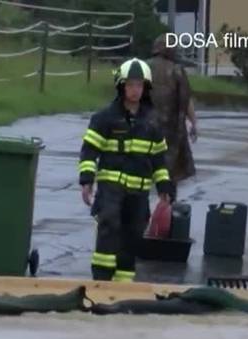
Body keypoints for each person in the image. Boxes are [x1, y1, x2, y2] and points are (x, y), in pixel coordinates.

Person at [79, 58, 175, 282]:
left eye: (139, 85)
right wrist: (87, 180)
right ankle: (101, 282)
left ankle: (123, 287)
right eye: (130, 85)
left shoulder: (152, 123)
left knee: (132, 238)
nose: (135, 90)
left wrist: (164, 187)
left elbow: (159, 159)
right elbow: (89, 151)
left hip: (139, 194)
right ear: (121, 87)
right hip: (111, 190)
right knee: (109, 228)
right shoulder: (104, 119)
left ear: (146, 88)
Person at [148, 33, 197, 184]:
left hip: (144, 125)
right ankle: (166, 198)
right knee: (170, 171)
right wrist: (193, 124)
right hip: (171, 128)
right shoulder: (177, 70)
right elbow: (186, 99)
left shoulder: (143, 67)